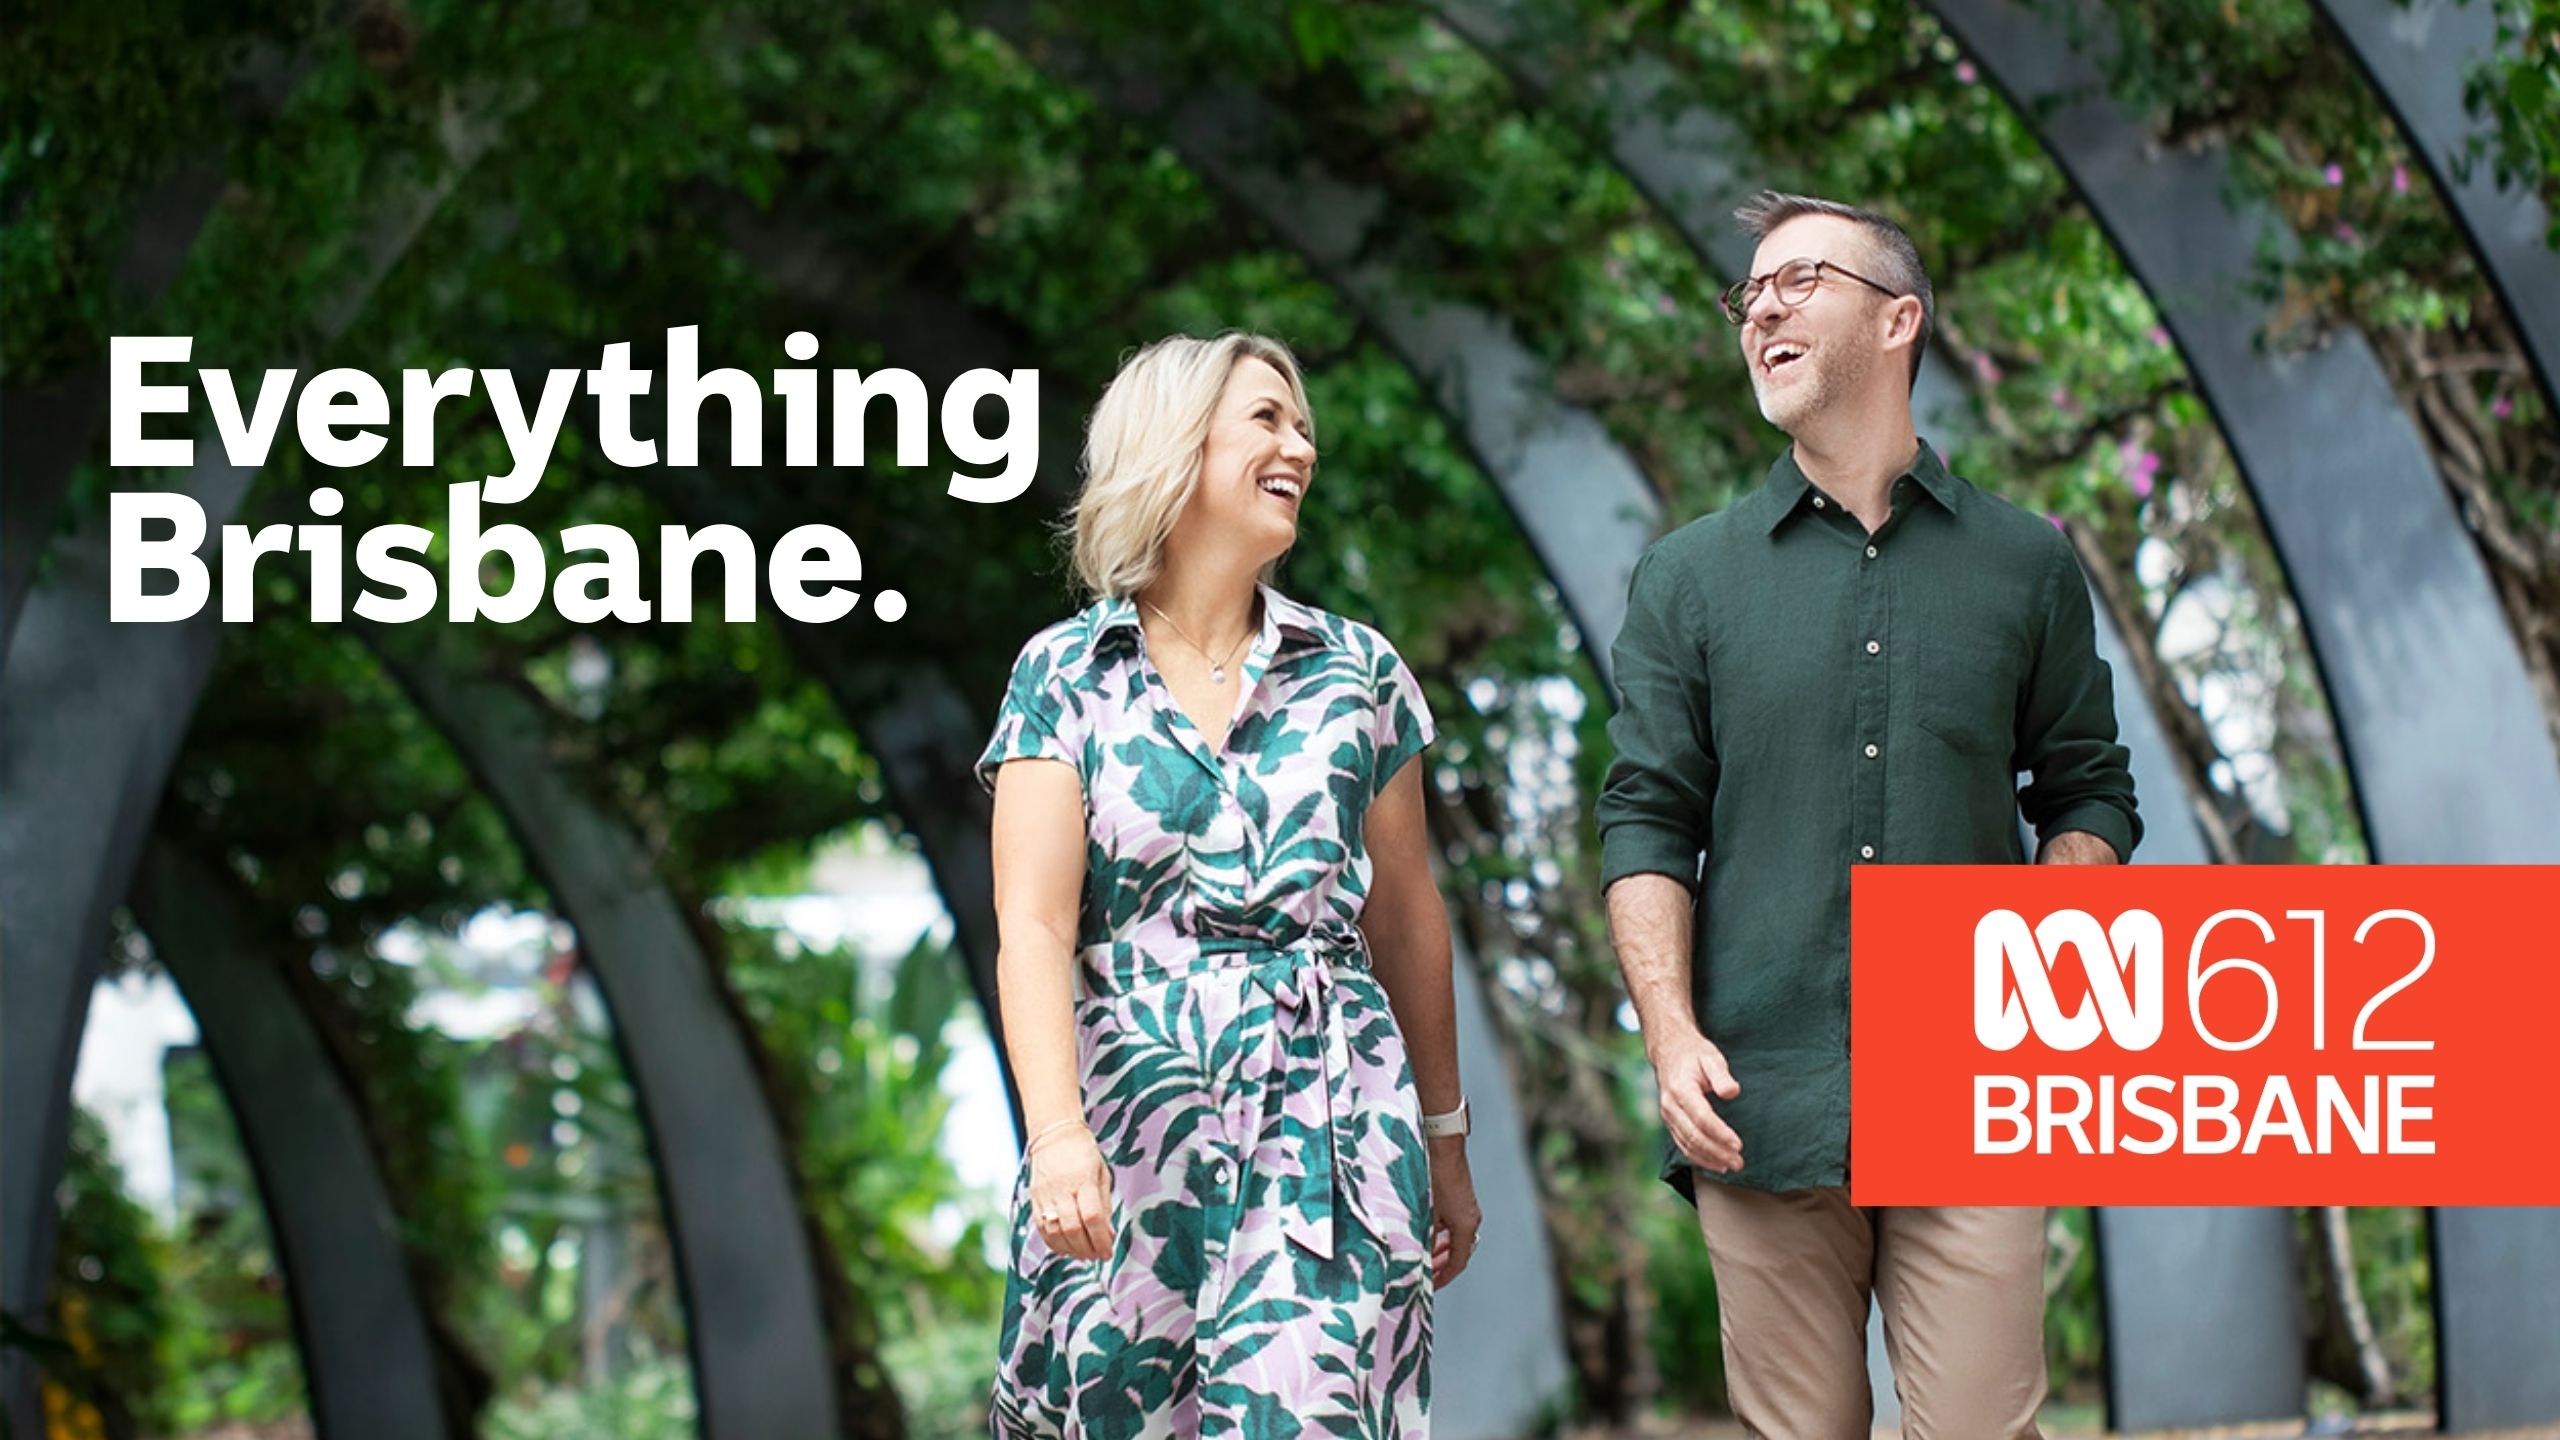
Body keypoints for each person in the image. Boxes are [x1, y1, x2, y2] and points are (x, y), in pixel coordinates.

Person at [1594, 191, 2143, 1439]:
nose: (1761, 310)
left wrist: (2041, 964)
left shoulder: (2025, 566)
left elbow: (2088, 788)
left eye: (1799, 281)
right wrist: (1671, 1037)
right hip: (1759, 1097)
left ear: (1898, 319)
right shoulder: (1688, 579)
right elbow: (1645, 818)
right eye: (1750, 294)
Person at [978, 331, 1482, 1438]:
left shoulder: (1356, 672)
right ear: (1174, 442)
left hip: (1330, 1131)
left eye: (1302, 424)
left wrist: (1444, 1140)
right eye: (1267, 417)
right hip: (1124, 1134)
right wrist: (1055, 1133)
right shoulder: (1062, 673)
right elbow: (1032, 923)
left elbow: (1404, 918)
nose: (1298, 443)